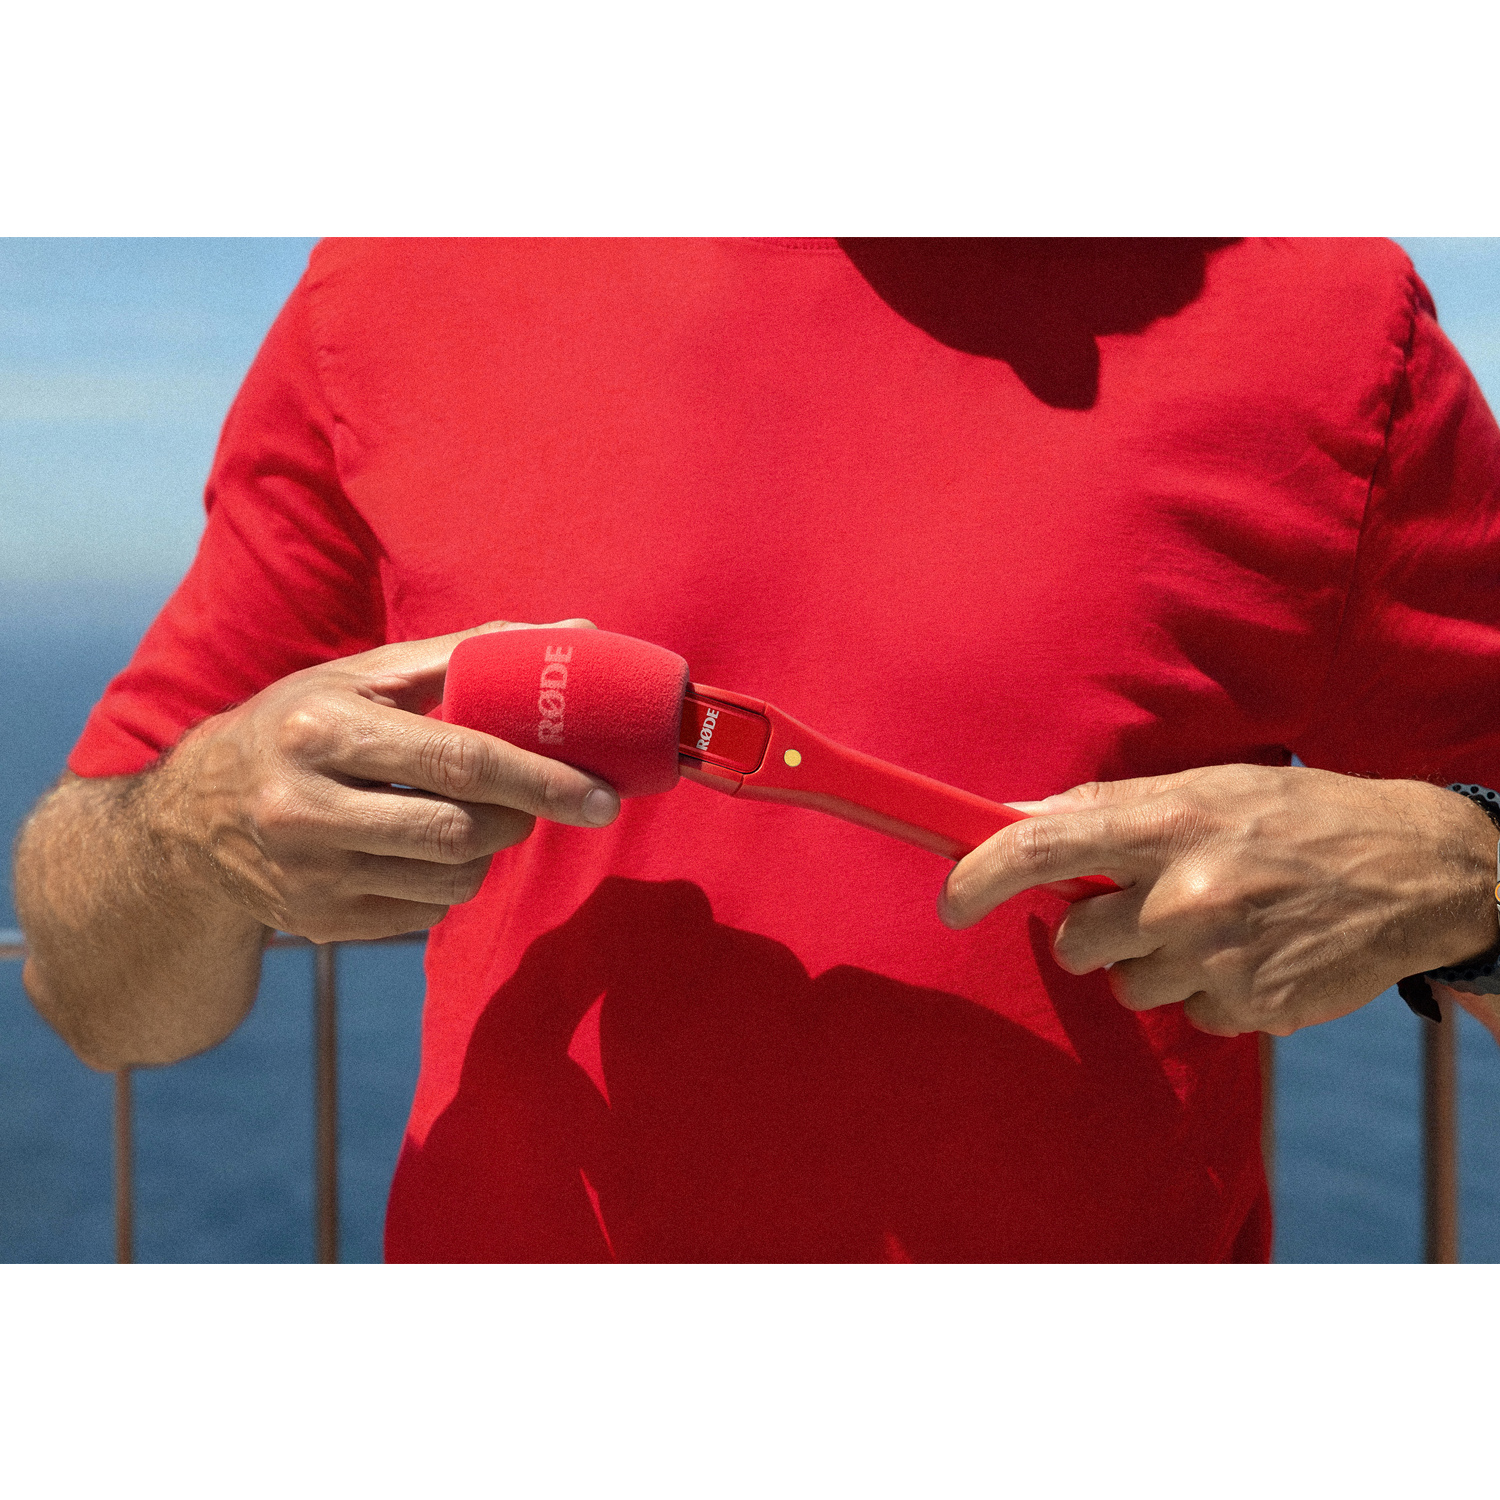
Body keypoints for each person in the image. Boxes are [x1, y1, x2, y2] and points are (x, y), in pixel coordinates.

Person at [15, 238, 1500, 1262]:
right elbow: (95, 992)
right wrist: (184, 836)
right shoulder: (404, 283)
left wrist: (1471, 875)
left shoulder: (1331, 323)